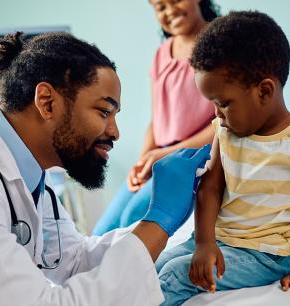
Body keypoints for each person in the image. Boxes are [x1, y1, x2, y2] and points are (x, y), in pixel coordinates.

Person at [0, 31, 211, 306]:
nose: (114, 132)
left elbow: (75, 259)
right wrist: (160, 219)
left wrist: (170, 230)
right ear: (47, 102)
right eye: (103, 112)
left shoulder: (28, 170)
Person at [154, 11, 290, 305]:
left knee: (179, 275)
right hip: (216, 240)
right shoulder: (224, 132)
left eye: (223, 104)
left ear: (264, 91)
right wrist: (204, 243)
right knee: (154, 265)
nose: (216, 114)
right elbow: (210, 188)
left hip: (263, 255)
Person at [92, 0, 220, 235]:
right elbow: (157, 118)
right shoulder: (162, 53)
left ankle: (130, 271)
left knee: (133, 219)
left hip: (195, 156)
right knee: (102, 231)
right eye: (160, 7)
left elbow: (223, 124)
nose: (170, 10)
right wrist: (143, 162)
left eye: (175, 1)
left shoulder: (220, 45)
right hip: (160, 156)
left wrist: (164, 154)